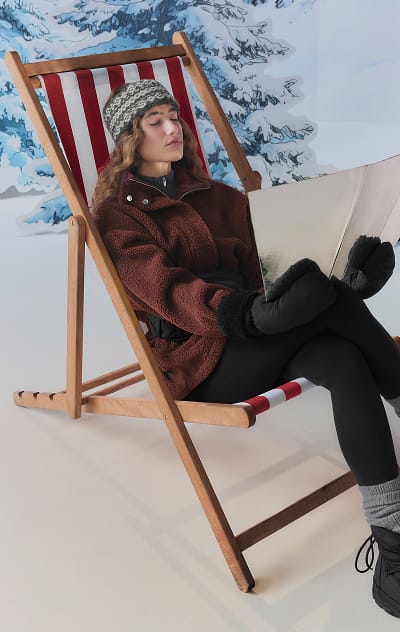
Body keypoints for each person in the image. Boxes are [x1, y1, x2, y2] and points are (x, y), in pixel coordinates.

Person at [92, 79, 400, 618]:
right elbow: (167, 291)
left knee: (344, 359)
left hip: (263, 331)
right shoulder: (120, 218)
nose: (172, 129)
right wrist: (242, 315)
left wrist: (334, 276)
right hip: (202, 357)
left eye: (173, 117)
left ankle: (392, 544)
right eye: (155, 122)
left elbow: (275, 258)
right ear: (129, 139)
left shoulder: (214, 195)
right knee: (335, 305)